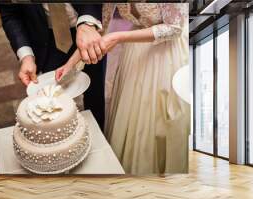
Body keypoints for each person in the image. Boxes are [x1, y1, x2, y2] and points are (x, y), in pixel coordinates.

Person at [56, 3, 190, 175]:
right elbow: (100, 29)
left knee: (161, 119)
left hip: (168, 51)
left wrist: (118, 37)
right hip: (136, 50)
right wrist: (70, 64)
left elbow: (174, 28)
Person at [0, 3, 105, 129]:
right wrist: (26, 56)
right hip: (45, 39)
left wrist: (87, 23)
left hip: (88, 31)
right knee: (54, 101)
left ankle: (98, 132)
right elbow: (10, 14)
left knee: (95, 93)